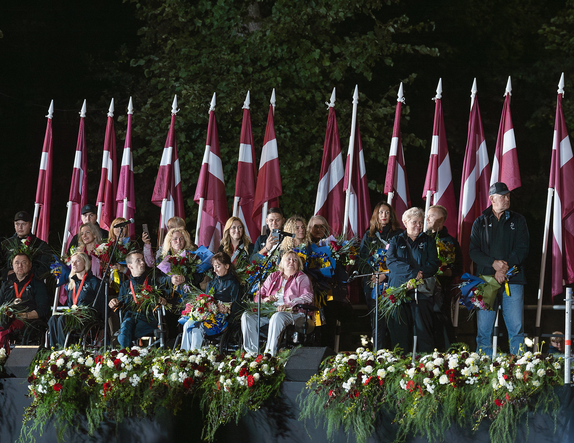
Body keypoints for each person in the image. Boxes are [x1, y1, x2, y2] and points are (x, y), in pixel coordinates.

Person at [470, 182, 529, 356]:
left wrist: (503, 269)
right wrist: (493, 264)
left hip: (513, 280)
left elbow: (522, 248)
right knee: (484, 329)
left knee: (516, 327)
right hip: (486, 281)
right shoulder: (480, 221)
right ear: (492, 199)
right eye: (502, 196)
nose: (506, 198)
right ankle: (481, 370)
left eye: (508, 195)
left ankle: (520, 370)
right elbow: (473, 251)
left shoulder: (518, 220)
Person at [386, 207, 441, 353]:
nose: (418, 225)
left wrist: (419, 276)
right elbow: (391, 262)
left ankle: (425, 366)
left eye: (420, 222)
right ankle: (399, 366)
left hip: (421, 293)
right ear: (405, 222)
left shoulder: (428, 241)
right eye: (414, 222)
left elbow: (434, 264)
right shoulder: (396, 240)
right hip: (399, 292)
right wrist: (413, 273)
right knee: (400, 334)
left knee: (424, 333)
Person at [241, 250, 313, 356]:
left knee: (277, 316)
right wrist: (266, 300)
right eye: (288, 259)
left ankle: (269, 355)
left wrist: (289, 304)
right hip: (271, 310)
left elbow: (307, 297)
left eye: (295, 260)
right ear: (282, 263)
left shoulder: (302, 278)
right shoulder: (273, 276)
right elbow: (258, 296)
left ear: (299, 265)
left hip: (294, 313)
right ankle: (253, 354)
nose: (291, 262)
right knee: (248, 316)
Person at [108, 250, 177, 348]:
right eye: (138, 260)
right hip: (130, 319)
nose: (142, 262)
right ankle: (125, 354)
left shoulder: (153, 282)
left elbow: (165, 302)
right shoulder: (126, 285)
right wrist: (114, 303)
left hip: (148, 320)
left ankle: (124, 355)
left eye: (142, 260)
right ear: (130, 266)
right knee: (127, 324)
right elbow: (119, 308)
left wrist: (163, 301)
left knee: (125, 331)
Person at [359, 202, 403, 350]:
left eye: (387, 212)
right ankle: (378, 356)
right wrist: (372, 275)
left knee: (395, 322)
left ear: (391, 216)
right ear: (376, 216)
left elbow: (402, 259)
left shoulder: (399, 234)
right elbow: (362, 260)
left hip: (393, 283)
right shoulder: (369, 235)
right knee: (377, 323)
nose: (384, 215)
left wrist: (387, 274)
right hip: (373, 283)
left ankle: (397, 355)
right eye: (381, 212)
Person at [181, 252, 241, 351]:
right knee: (188, 323)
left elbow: (236, 306)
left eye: (218, 266)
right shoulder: (212, 283)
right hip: (208, 314)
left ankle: (194, 355)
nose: (215, 270)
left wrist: (229, 322)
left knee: (198, 326)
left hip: (222, 319)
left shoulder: (233, 284)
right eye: (214, 267)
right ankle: (185, 353)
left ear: (226, 266)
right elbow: (206, 300)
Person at [307, 215, 351, 350]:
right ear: (309, 228)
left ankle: (329, 357)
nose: (319, 229)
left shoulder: (332, 245)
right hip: (310, 294)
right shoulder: (305, 246)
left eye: (322, 227)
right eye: (316, 226)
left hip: (330, 294)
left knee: (329, 328)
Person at [425, 204, 463, 349]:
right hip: (423, 290)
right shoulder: (422, 238)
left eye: (431, 216)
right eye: (427, 215)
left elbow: (459, 267)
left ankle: (446, 353)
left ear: (441, 220)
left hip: (443, 291)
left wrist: (449, 272)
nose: (427, 218)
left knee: (442, 323)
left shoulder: (451, 241)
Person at [47, 252, 103, 348]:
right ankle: (53, 349)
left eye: (77, 261)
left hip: (87, 318)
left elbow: (100, 305)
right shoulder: (71, 283)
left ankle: (62, 350)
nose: (73, 264)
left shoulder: (94, 282)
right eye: (72, 262)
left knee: (62, 319)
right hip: (73, 315)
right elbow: (70, 303)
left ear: (85, 263)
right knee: (53, 319)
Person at [0, 253, 50, 353]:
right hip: (6, 318)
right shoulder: (6, 285)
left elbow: (43, 309)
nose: (20, 266)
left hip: (27, 320)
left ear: (30, 265)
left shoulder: (38, 285)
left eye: (24, 263)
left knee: (4, 327)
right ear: (12, 266)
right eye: (17, 263)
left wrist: (25, 315)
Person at [0, 211, 52, 282]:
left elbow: (47, 266)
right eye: (17, 224)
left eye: (23, 224)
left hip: (33, 285)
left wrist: (28, 274)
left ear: (30, 225)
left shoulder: (40, 244)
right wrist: (6, 273)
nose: (20, 227)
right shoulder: (5, 244)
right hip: (9, 285)